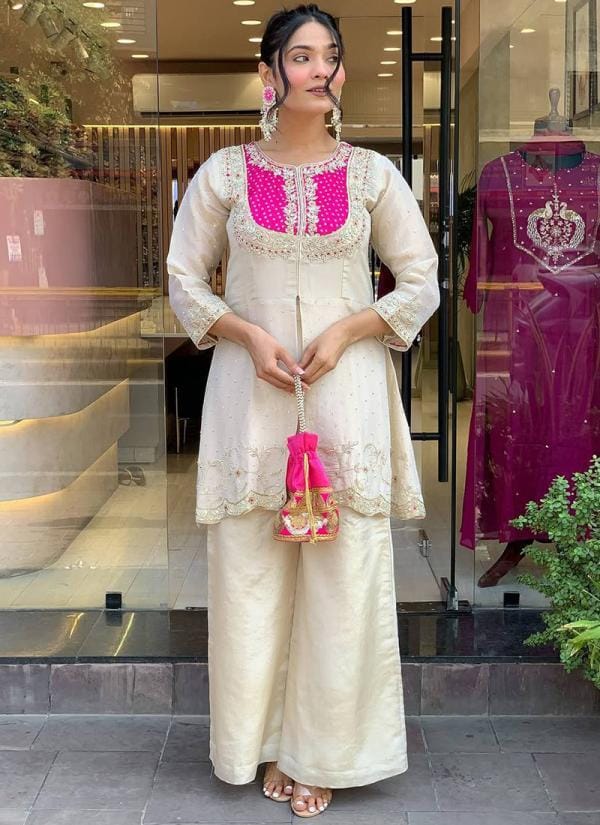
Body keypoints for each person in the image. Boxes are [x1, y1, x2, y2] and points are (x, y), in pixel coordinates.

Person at [166, 4, 439, 818]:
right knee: (250, 576)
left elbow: (420, 276)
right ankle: (263, 743)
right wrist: (245, 332)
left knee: (341, 579)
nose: (320, 69)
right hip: (252, 404)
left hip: (344, 403)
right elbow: (185, 276)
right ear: (269, 74)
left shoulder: (371, 177)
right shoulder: (221, 175)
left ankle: (319, 753)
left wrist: (355, 325)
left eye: (331, 57)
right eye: (301, 56)